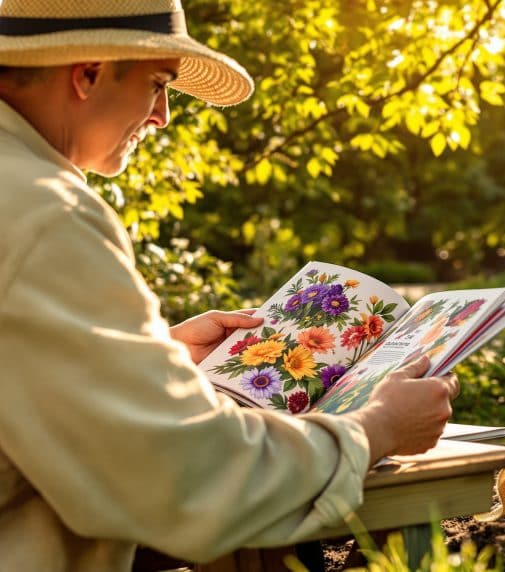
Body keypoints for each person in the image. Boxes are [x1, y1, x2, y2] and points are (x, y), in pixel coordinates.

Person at [0, 1, 458, 570]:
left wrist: (154, 361)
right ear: (89, 73)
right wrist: (376, 427)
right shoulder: (47, 212)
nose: (163, 115)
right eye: (158, 84)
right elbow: (185, 474)